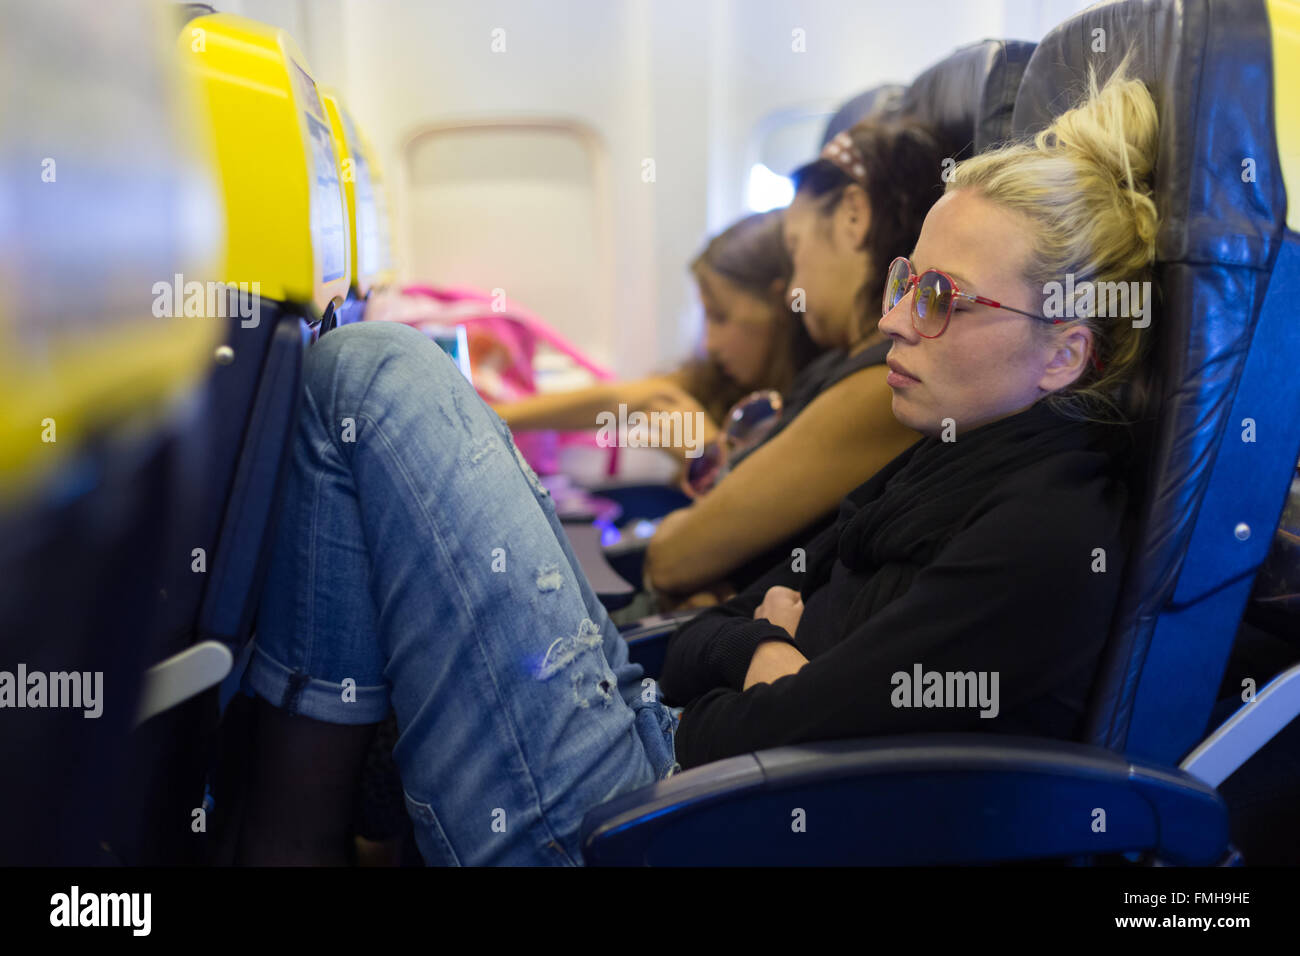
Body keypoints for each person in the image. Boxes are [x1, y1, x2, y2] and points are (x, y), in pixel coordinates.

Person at [237, 67, 1157, 865]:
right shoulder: (953, 457)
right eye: (906, 282)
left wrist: (749, 652)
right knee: (373, 399)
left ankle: (284, 840)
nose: (894, 323)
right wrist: (757, 645)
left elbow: (791, 728)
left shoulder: (1046, 538)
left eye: (943, 300)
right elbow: (744, 613)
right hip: (661, 750)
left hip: (650, 819)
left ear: (1065, 353)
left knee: (371, 376)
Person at [642, 118, 946, 606]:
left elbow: (673, 558)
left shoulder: (882, 385)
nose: (791, 286)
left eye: (794, 246)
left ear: (853, 215)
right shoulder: (837, 366)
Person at [490, 209, 822, 468]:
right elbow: (631, 399)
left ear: (780, 307)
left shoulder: (814, 407)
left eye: (721, 317)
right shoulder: (722, 378)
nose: (709, 343)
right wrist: (494, 416)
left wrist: (709, 456)